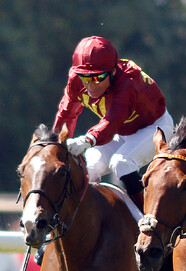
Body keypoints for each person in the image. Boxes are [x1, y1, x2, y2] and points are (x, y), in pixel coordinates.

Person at [53, 35, 174, 211]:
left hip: (154, 128)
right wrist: (56, 144)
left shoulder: (128, 83)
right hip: (122, 132)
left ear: (113, 72)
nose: (90, 85)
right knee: (90, 167)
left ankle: (149, 219)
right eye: (85, 77)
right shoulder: (75, 80)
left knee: (121, 163)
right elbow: (66, 114)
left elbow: (111, 122)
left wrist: (86, 140)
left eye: (97, 78)